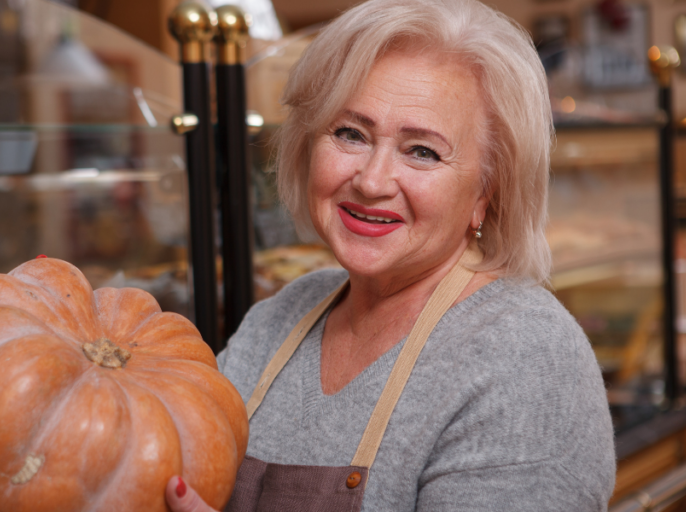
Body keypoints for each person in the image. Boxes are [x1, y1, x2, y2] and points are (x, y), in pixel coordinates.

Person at [164, 0, 615, 510]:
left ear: (487, 194)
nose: (372, 181)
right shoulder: (277, 322)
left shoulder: (528, 356)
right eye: (350, 134)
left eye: (422, 150)